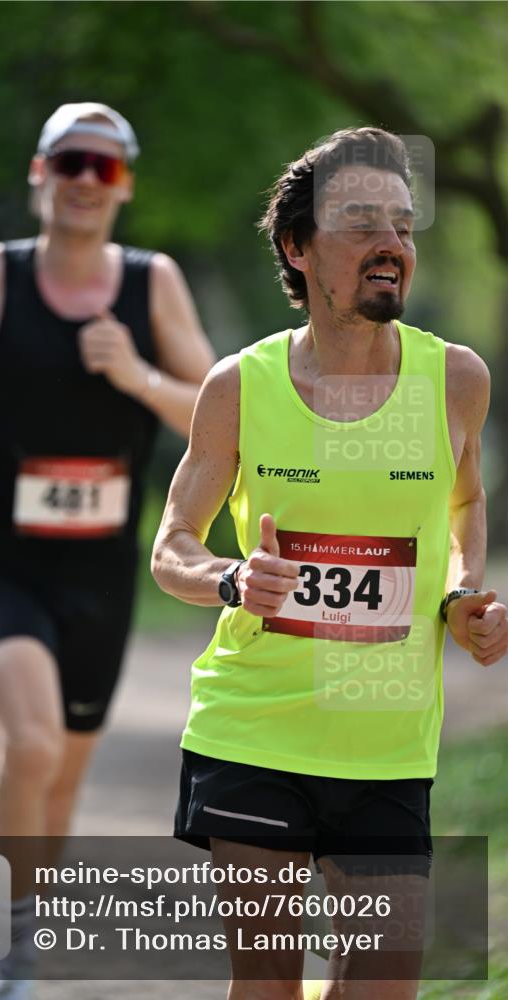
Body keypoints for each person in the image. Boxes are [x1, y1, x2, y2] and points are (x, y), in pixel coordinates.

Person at [151, 127, 508, 1000]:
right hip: (253, 731)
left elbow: (463, 504)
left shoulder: (455, 380)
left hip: (387, 744)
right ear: (297, 248)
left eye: (402, 226)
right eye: (360, 224)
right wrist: (231, 579)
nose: (390, 244)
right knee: (268, 984)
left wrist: (460, 592)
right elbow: (172, 546)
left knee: (383, 985)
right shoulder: (239, 386)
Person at [0, 101, 215, 997]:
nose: (84, 180)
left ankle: (19, 933)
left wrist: (135, 374)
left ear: (124, 186)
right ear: (40, 173)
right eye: (69, 161)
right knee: (30, 746)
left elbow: (214, 410)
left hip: (101, 573)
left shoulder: (152, 285)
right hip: (4, 560)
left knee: (63, 773)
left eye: (102, 167)